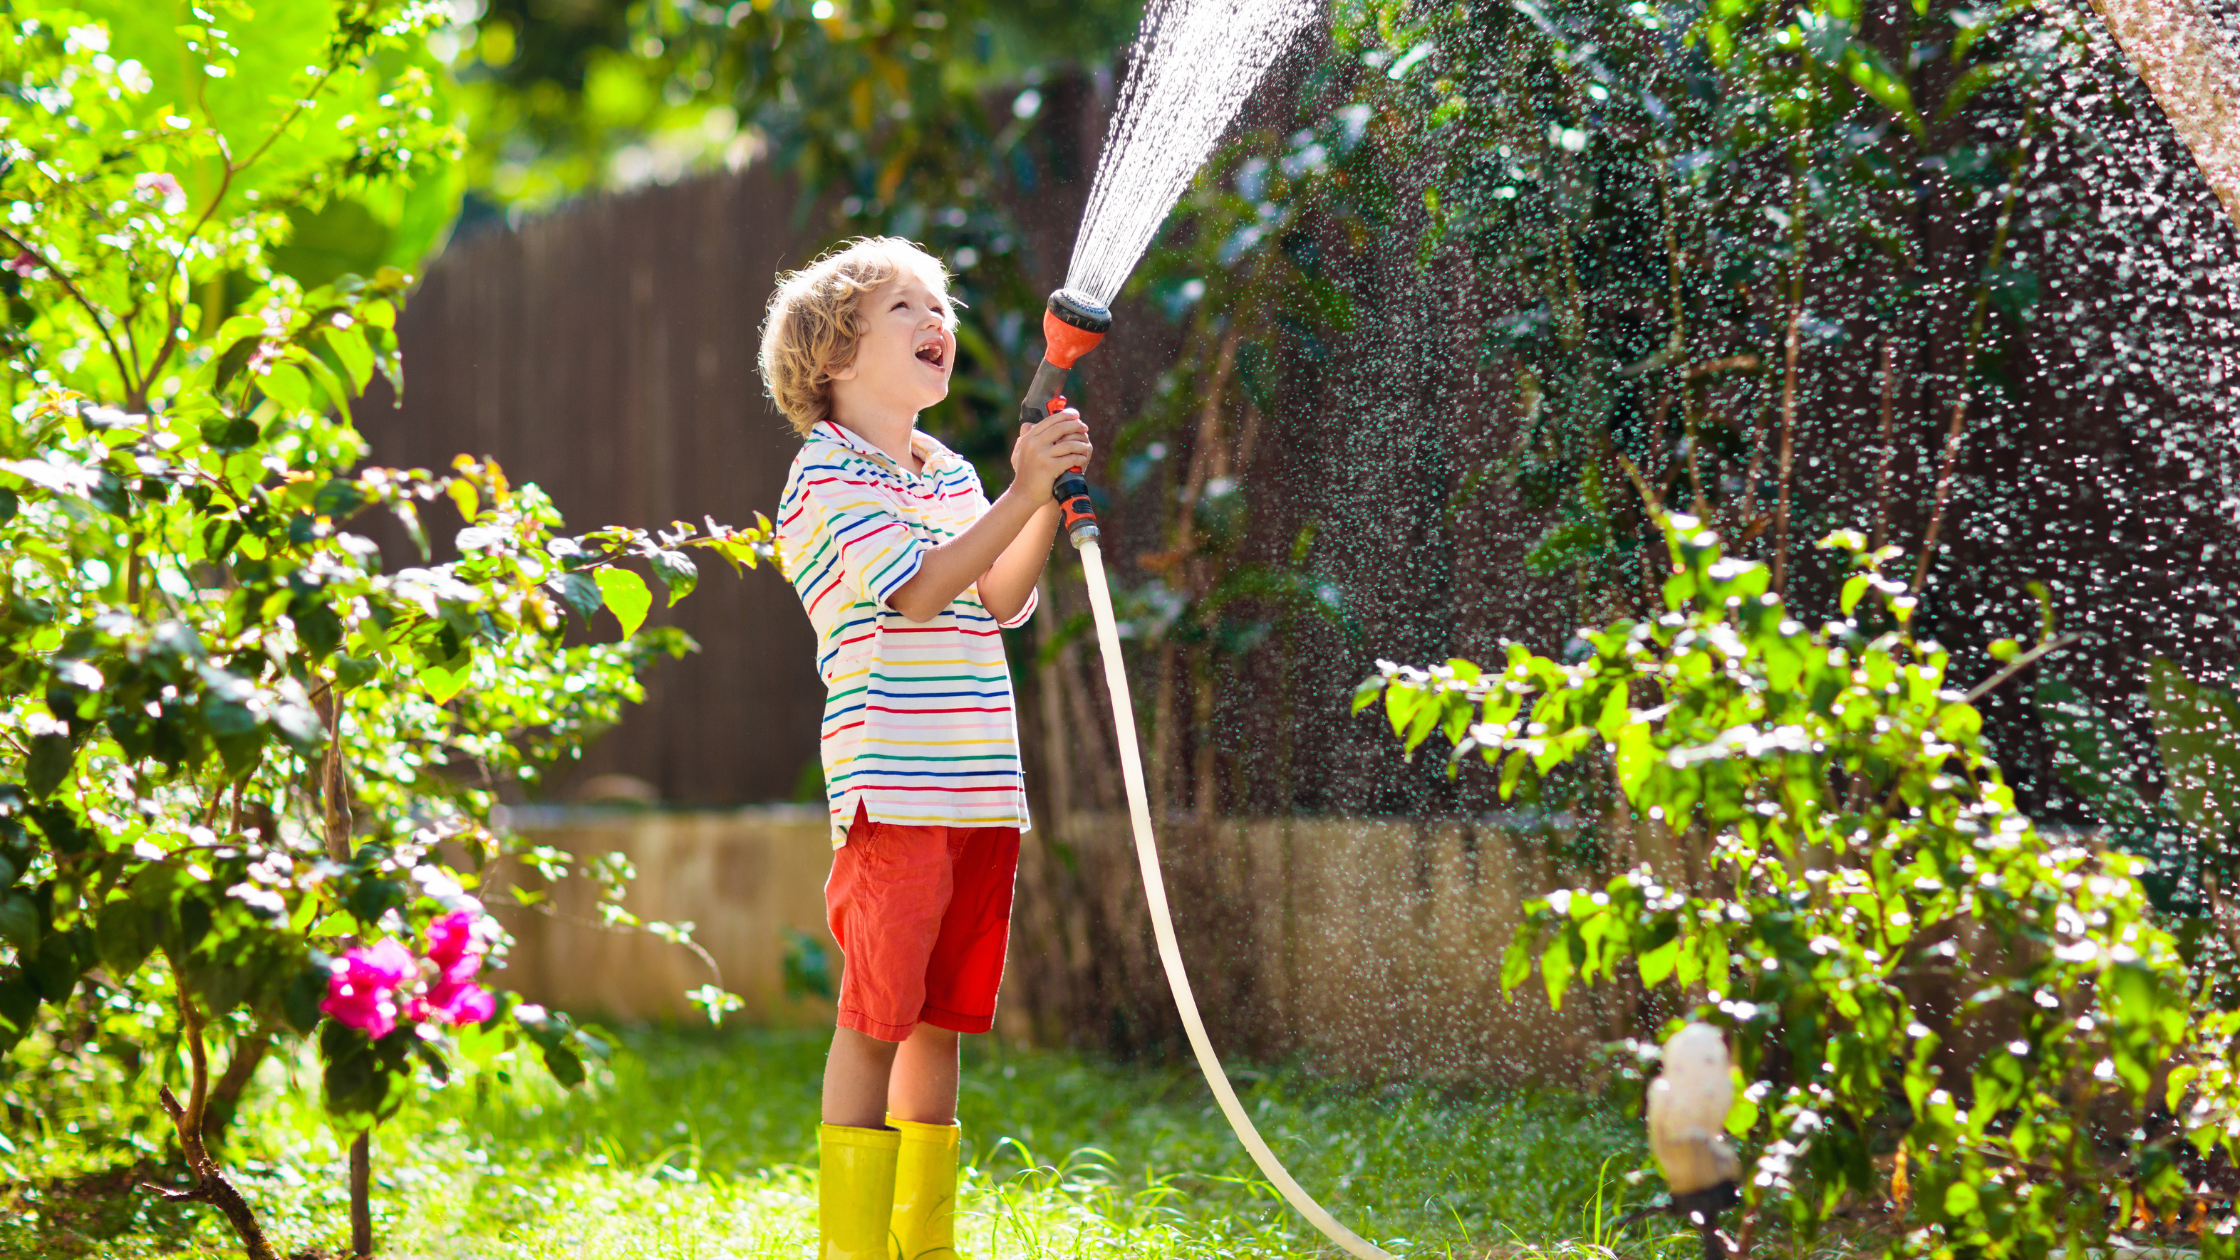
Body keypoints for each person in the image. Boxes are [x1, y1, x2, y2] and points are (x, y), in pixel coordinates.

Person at [761, 237, 1092, 1259]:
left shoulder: (943, 472)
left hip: (978, 792)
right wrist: (1016, 494)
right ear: (833, 356)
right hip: (896, 792)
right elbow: (916, 589)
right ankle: (855, 1251)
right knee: (875, 1017)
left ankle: (922, 1246)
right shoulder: (825, 479)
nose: (933, 320)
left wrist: (1032, 496)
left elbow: (997, 596)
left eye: (937, 304)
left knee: (939, 1021)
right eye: (905, 306)